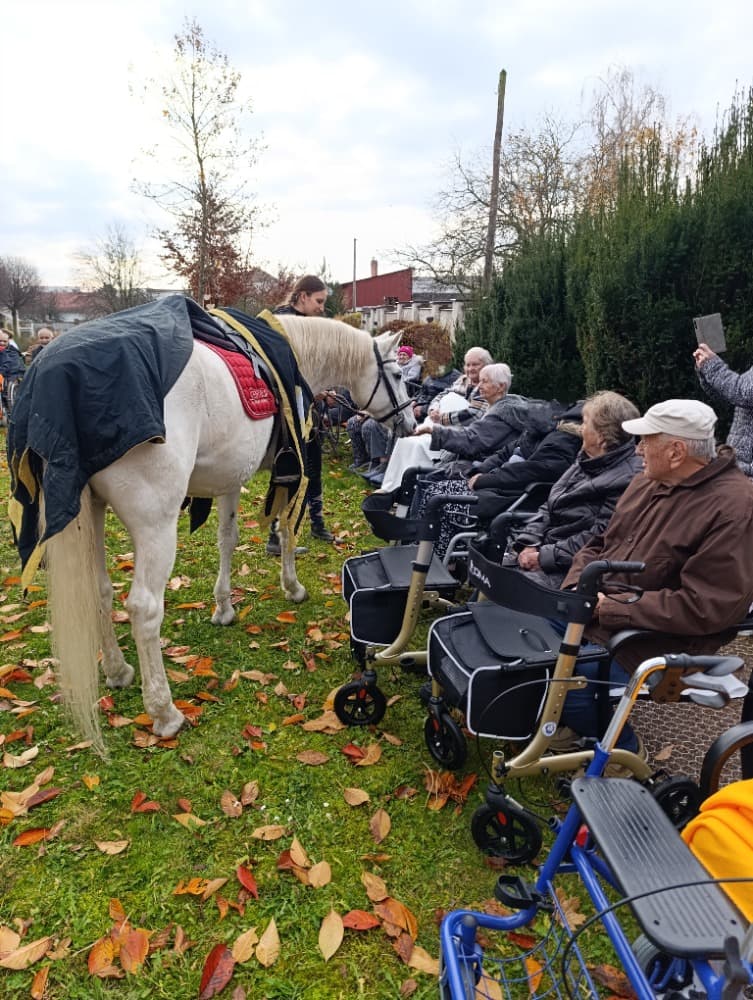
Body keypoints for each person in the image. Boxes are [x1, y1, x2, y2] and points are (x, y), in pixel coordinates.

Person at [555, 398, 753, 757]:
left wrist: (610, 608)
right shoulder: (647, 481)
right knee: (522, 644)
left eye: (646, 440)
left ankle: (625, 756)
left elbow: (708, 606)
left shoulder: (736, 507)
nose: (637, 449)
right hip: (597, 613)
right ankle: (574, 725)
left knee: (570, 688)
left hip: (657, 639)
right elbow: (599, 544)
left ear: (676, 451)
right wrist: (576, 587)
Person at [502, 391, 641, 588]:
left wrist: (544, 556)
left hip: (573, 568)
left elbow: (599, 537)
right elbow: (549, 505)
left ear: (602, 437)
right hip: (547, 550)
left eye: (585, 423)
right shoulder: (586, 458)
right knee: (491, 575)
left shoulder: (627, 478)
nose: (580, 429)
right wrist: (530, 540)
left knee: (507, 587)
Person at [267, 275, 333, 555]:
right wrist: (311, 391)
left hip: (306, 409)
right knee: (290, 469)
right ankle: (276, 535)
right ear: (302, 296)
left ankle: (316, 522)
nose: (321, 307)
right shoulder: (283, 323)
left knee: (313, 466)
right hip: (287, 411)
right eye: (318, 301)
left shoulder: (303, 322)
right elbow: (285, 370)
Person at [366, 346, 493, 489]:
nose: (470, 368)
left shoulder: (487, 386)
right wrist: (434, 408)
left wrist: (442, 417)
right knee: (405, 442)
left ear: (486, 366)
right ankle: (393, 482)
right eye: (468, 364)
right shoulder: (463, 380)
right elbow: (442, 394)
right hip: (438, 425)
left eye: (475, 364)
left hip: (458, 435)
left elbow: (474, 414)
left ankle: (410, 487)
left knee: (416, 444)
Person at [694, 341, 753, 477]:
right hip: (740, 468)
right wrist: (705, 367)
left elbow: (745, 393)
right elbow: (731, 398)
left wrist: (712, 367)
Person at [0, 329, 26, 414]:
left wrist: (1, 372)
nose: (2, 343)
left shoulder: (10, 352)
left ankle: (7, 407)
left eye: (5, 341)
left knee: (7, 385)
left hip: (14, 373)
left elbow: (7, 365)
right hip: (6, 372)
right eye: (0, 341)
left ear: (9, 341)